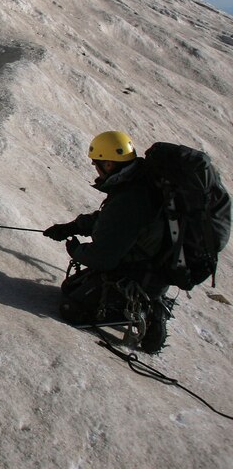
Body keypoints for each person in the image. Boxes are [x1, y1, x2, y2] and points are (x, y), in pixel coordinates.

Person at [44, 130, 171, 353]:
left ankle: (148, 308)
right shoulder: (141, 182)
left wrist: (76, 250)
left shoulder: (130, 197)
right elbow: (110, 220)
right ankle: (151, 301)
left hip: (138, 274)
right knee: (76, 286)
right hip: (156, 269)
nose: (97, 170)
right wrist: (73, 226)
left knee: (72, 304)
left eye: (97, 164)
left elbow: (103, 258)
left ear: (110, 164)